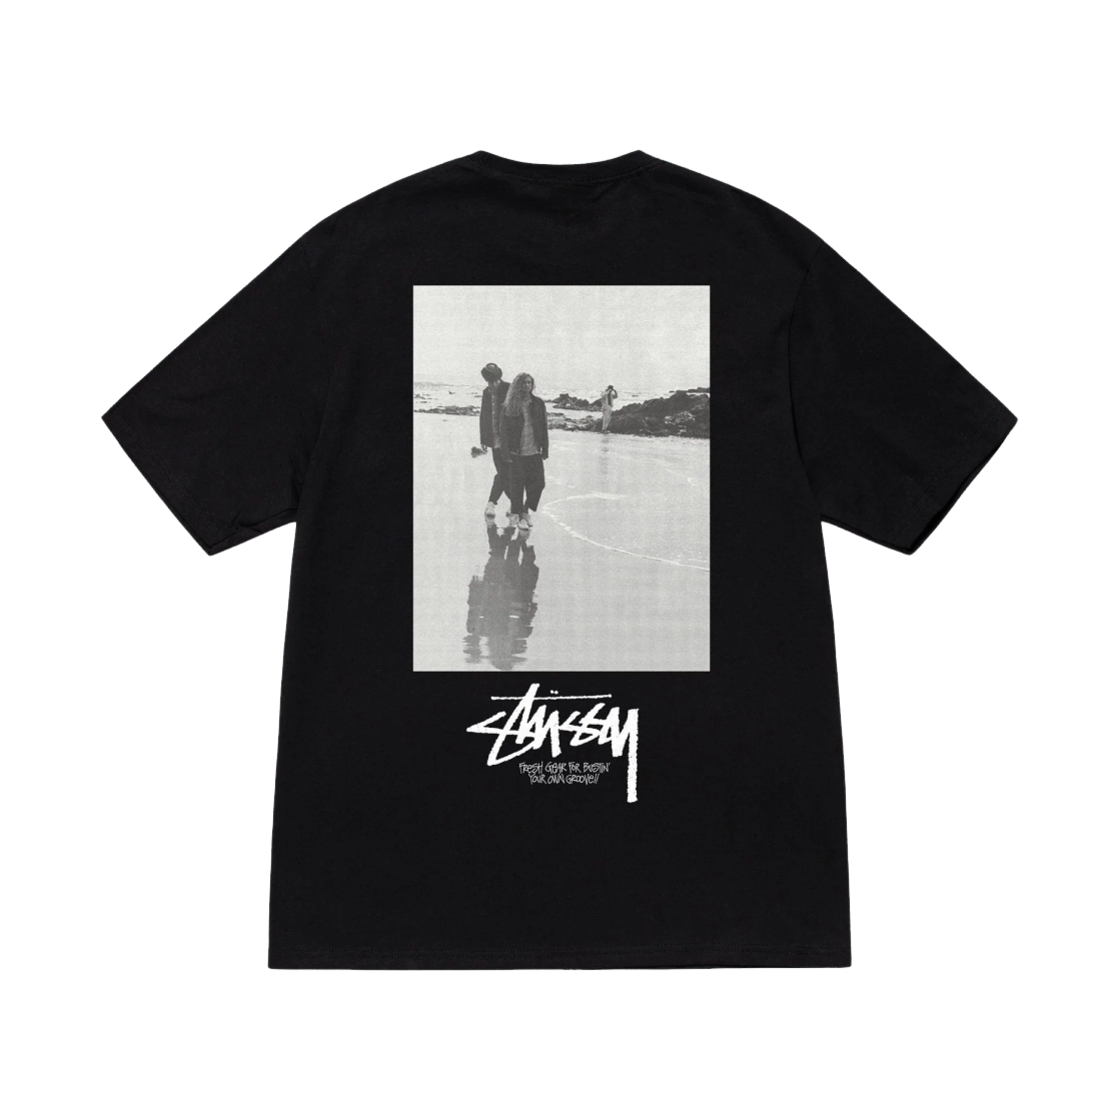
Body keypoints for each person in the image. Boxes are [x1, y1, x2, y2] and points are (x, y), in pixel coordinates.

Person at [501, 373, 548, 531]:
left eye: (529, 383)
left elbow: (544, 427)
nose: (527, 385)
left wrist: (545, 448)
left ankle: (525, 510)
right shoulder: (509, 405)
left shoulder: (538, 403)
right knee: (518, 487)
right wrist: (505, 452)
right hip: (516, 453)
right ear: (518, 385)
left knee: (539, 484)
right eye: (524, 383)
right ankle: (520, 518)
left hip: (534, 451)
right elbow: (503, 431)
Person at [479, 363, 510, 515]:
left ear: (499, 378)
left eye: (494, 381)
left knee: (506, 473)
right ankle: (514, 504)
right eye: (489, 382)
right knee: (503, 472)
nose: (492, 385)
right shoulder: (486, 392)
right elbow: (483, 415)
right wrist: (484, 439)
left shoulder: (510, 389)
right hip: (494, 439)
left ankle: (491, 503)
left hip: (509, 440)